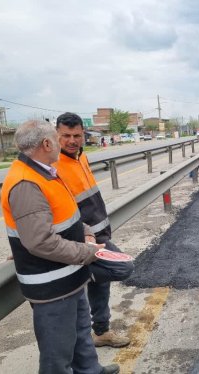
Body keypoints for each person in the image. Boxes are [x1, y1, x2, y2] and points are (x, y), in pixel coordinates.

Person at [0, 120, 119, 374]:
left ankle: (91, 371)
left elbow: (66, 215)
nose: (62, 143)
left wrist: (85, 232)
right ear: (46, 144)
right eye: (57, 138)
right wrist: (87, 253)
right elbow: (40, 241)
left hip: (69, 277)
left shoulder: (46, 172)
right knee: (58, 353)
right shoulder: (26, 183)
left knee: (80, 336)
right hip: (51, 287)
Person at [54, 112, 134, 348]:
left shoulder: (82, 158)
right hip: (82, 239)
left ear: (83, 135)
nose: (72, 140)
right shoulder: (54, 167)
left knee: (101, 284)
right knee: (123, 267)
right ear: (56, 136)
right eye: (65, 135)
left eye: (76, 135)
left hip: (100, 233)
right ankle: (78, 277)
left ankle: (101, 331)